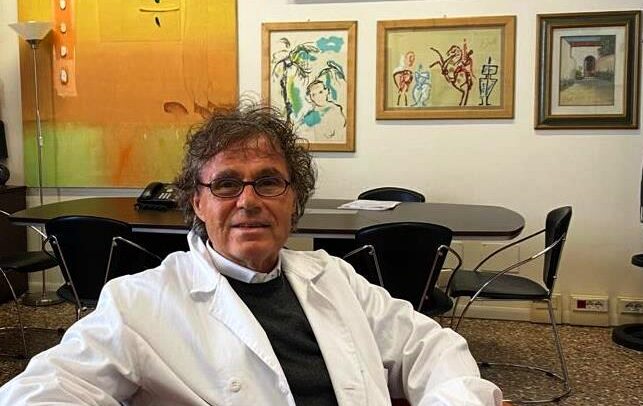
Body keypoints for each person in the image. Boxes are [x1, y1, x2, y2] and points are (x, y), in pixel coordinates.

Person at [0, 102, 502, 405]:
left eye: (268, 181)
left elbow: (431, 348)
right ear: (197, 202)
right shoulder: (139, 302)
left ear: (292, 199)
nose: (248, 201)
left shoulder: (335, 278)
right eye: (225, 184)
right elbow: (42, 391)